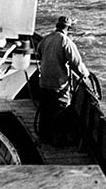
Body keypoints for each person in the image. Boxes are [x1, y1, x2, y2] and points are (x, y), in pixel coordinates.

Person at [37, 16, 90, 146]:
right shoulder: (66, 41)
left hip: (44, 83)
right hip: (58, 86)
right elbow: (76, 63)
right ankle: (58, 141)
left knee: (45, 111)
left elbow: (38, 54)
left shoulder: (46, 39)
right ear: (69, 28)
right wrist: (86, 75)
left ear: (57, 26)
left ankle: (44, 137)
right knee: (61, 111)